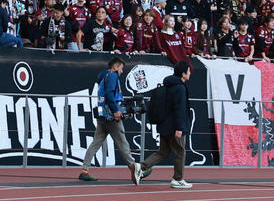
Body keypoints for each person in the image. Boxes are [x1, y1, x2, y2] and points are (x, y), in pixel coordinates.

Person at [79, 55, 144, 183]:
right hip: (111, 116)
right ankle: (135, 168)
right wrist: (116, 111)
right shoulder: (112, 76)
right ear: (115, 66)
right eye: (121, 69)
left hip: (103, 114)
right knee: (122, 142)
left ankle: (84, 170)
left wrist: (124, 110)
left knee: (95, 143)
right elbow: (110, 94)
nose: (121, 72)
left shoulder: (104, 77)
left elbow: (109, 95)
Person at [140, 61, 192, 188]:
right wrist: (180, 128)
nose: (190, 73)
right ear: (183, 73)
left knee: (163, 152)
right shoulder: (180, 88)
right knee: (180, 152)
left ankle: (140, 167)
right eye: (188, 71)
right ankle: (177, 179)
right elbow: (179, 109)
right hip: (174, 127)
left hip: (163, 125)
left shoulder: (167, 85)